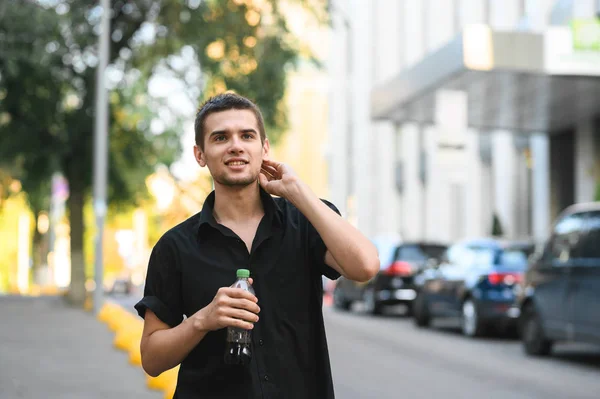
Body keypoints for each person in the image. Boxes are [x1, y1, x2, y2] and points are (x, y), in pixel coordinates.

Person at [135, 92, 379, 399]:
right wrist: (203, 319)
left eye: (247, 135)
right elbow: (152, 359)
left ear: (264, 148)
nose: (236, 145)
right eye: (221, 137)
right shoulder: (174, 247)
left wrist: (298, 192)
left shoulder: (306, 222)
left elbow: (366, 266)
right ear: (200, 155)